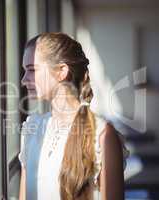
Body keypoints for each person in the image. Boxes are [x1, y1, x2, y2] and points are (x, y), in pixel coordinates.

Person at [18, 32, 129, 200]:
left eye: (32, 70)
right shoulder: (31, 129)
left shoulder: (102, 135)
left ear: (62, 71)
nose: (24, 80)